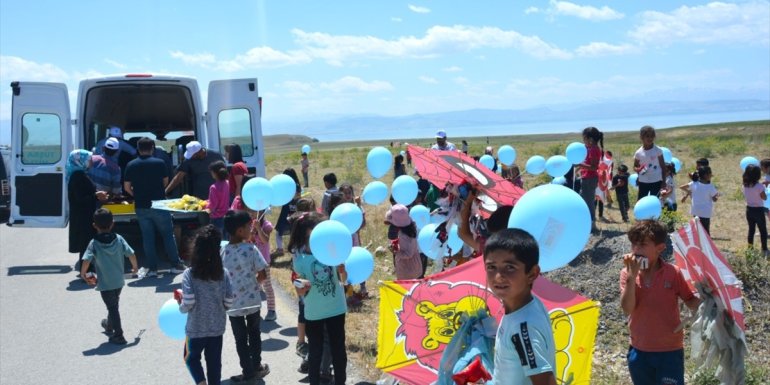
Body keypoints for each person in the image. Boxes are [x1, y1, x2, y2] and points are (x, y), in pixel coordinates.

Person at [620, 220, 700, 385]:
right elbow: (627, 309)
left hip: (669, 351)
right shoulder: (627, 274)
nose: (636, 250)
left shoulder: (673, 273)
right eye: (633, 245)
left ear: (660, 248)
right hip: (640, 349)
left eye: (642, 245)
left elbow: (691, 302)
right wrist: (631, 277)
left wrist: (709, 297)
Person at [484, 228, 557, 385]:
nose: (498, 276)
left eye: (510, 267)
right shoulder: (528, 305)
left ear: (532, 274)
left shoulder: (523, 328)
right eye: (491, 267)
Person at [289, 212, 348, 385]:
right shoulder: (300, 260)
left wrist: (342, 271)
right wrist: (301, 286)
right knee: (315, 352)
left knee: (339, 351)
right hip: (314, 313)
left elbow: (343, 281)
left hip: (337, 309)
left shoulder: (332, 253)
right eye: (313, 235)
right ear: (306, 236)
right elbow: (299, 290)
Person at [179, 225, 235, 385]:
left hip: (196, 329)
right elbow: (229, 301)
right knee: (214, 364)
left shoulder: (189, 273)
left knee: (190, 357)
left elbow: (188, 302)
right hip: (217, 328)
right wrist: (219, 308)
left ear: (196, 249)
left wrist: (181, 307)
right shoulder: (223, 273)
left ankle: (201, 382)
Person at [124, 137, 187, 278]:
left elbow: (126, 187)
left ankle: (152, 269)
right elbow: (165, 182)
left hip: (141, 205)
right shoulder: (160, 163)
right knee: (167, 235)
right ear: (152, 147)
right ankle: (175, 265)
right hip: (159, 204)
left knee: (147, 237)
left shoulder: (131, 164)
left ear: (138, 149)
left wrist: (137, 194)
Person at [222, 211, 271, 382]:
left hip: (233, 304)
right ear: (240, 231)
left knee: (240, 339)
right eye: (249, 227)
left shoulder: (223, 252)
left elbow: (221, 279)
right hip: (252, 301)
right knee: (254, 333)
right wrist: (254, 286)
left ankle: (247, 372)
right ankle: (256, 365)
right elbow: (262, 274)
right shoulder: (251, 248)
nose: (252, 229)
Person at [80, 208, 138, 345]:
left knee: (113, 307)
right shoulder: (119, 239)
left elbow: (87, 260)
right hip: (119, 281)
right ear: (112, 223)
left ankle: (119, 335)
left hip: (105, 283)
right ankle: (109, 325)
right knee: (113, 304)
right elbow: (131, 254)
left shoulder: (94, 243)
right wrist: (135, 267)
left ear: (94, 226)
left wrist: (83, 273)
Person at [67, 150, 108, 272]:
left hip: (83, 215)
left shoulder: (79, 174)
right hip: (83, 217)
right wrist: (96, 196)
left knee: (87, 245)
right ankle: (86, 273)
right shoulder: (78, 176)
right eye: (89, 160)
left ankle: (87, 271)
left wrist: (95, 194)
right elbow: (81, 198)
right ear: (80, 161)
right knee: (86, 245)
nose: (91, 162)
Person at [249, 209, 278, 321]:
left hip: (264, 260)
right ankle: (253, 309)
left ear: (263, 213)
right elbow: (248, 241)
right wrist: (251, 234)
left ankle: (271, 310)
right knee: (252, 285)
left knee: (267, 286)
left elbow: (265, 240)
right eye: (252, 211)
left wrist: (258, 229)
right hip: (251, 261)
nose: (254, 213)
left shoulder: (267, 225)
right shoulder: (249, 225)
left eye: (258, 212)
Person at [385, 204, 422, 280]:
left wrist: (395, 251)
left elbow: (408, 254)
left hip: (407, 269)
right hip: (414, 266)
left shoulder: (404, 235)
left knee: (407, 290)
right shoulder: (410, 227)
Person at [577, 126, 603, 232]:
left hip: (590, 179)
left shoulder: (593, 150)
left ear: (590, 139)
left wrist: (580, 165)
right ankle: (587, 221)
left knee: (588, 202)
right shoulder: (590, 149)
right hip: (586, 178)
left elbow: (594, 167)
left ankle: (592, 223)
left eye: (584, 139)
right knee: (583, 200)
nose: (583, 142)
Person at [680, 166, 719, 235]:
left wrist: (689, 192)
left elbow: (682, 187)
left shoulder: (693, 183)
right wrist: (717, 195)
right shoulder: (710, 186)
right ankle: (706, 245)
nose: (711, 175)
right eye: (710, 174)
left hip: (695, 211)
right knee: (706, 231)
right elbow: (714, 199)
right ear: (705, 175)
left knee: (697, 230)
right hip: (705, 213)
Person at [633, 125, 667, 201]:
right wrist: (637, 170)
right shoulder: (638, 153)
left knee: (654, 201)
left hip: (656, 181)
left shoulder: (658, 150)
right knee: (641, 201)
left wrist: (664, 182)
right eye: (647, 136)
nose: (650, 138)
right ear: (642, 137)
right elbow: (635, 166)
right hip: (643, 181)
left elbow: (663, 167)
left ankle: (653, 213)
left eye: (652, 136)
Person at [274, 168, 301, 256]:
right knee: (294, 231)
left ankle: (280, 249)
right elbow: (298, 197)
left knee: (279, 230)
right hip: (295, 210)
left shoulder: (287, 186)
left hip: (286, 210)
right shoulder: (297, 185)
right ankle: (294, 249)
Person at [742, 164, 768, 256]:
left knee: (751, 230)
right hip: (758, 210)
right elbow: (764, 198)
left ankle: (750, 248)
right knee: (762, 230)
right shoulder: (759, 186)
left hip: (749, 210)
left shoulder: (744, 185)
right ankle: (764, 249)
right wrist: (764, 190)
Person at [207, 161, 230, 235]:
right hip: (227, 216)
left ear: (215, 173)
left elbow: (213, 205)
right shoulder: (227, 183)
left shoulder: (213, 187)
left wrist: (205, 207)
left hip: (216, 218)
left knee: (217, 240)